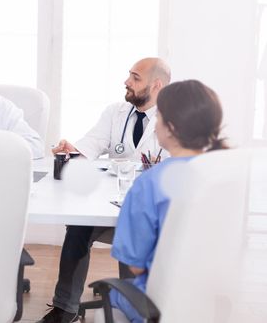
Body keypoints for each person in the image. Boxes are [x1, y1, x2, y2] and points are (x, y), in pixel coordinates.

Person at [38, 57, 171, 323]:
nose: (127, 82)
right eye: (129, 76)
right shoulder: (115, 112)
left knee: (137, 232)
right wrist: (73, 150)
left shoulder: (172, 121)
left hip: (146, 216)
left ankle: (133, 308)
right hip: (111, 208)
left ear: (156, 85)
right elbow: (93, 143)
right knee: (78, 227)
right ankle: (65, 308)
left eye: (135, 78)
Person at [109, 79, 228, 322]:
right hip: (210, 303)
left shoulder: (149, 184)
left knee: (112, 293)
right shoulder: (224, 179)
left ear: (171, 127)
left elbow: (136, 266)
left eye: (159, 118)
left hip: (159, 304)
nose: (154, 126)